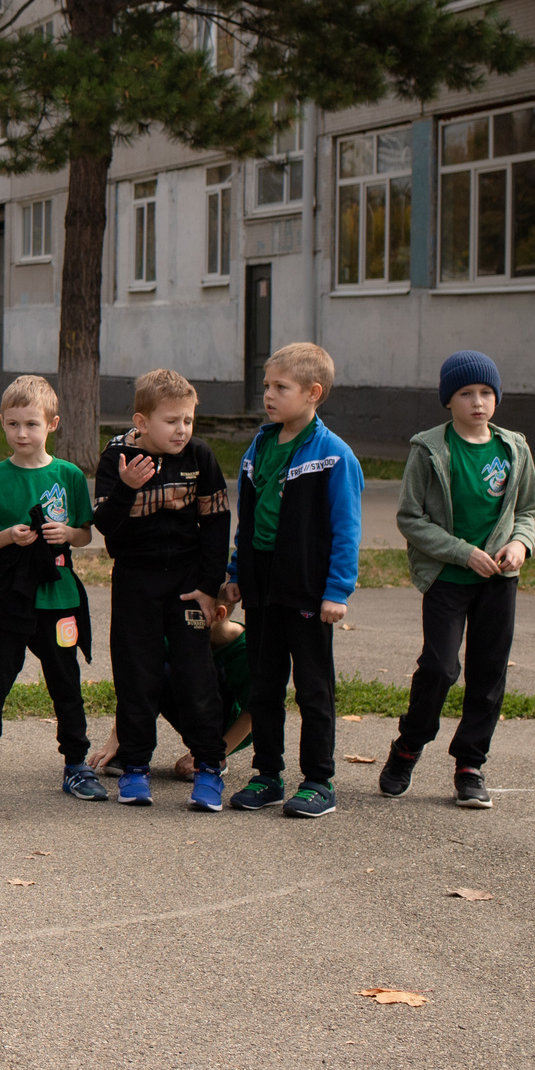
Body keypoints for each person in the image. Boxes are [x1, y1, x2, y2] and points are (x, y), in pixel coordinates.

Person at [385, 350, 535, 810]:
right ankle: (408, 747)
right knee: (439, 666)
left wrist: (520, 545)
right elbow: (410, 518)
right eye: (466, 393)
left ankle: (470, 765)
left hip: (498, 580)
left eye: (486, 393)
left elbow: (527, 511)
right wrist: (462, 552)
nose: (478, 402)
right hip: (449, 579)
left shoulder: (514, 447)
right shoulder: (429, 449)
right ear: (448, 401)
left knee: (488, 673)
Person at [221, 341, 363, 818]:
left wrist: (337, 589)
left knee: (313, 688)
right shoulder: (260, 445)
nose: (269, 395)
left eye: (281, 387)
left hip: (307, 591)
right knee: (264, 685)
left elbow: (346, 528)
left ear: (313, 393)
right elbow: (250, 517)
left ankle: (318, 780)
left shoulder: (333, 455)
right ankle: (267, 775)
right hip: (262, 589)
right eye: (266, 386)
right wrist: (238, 574)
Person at [92, 367, 235, 810]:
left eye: (188, 420)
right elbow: (105, 527)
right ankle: (135, 768)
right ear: (142, 422)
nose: (182, 430)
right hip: (136, 579)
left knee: (197, 676)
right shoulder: (116, 458)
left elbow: (215, 524)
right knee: (138, 674)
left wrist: (210, 587)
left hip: (188, 584)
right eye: (172, 421)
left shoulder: (200, 456)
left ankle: (209, 767)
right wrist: (127, 490)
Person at [0, 374, 96, 804]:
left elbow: (87, 534)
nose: (22, 433)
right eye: (13, 424)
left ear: (52, 424)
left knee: (65, 682)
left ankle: (76, 764)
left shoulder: (69, 475)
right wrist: (8, 537)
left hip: (59, 598)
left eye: (32, 424)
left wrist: (67, 532)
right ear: (2, 422)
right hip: (9, 596)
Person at [95, 603, 254, 779]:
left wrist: (217, 753)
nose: (185, 619)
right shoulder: (182, 633)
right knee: (152, 666)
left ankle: (211, 758)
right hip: (194, 707)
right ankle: (130, 745)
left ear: (218, 613)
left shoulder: (247, 651)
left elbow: (251, 713)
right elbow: (140, 681)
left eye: (193, 615)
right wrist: (118, 737)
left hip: (227, 724)